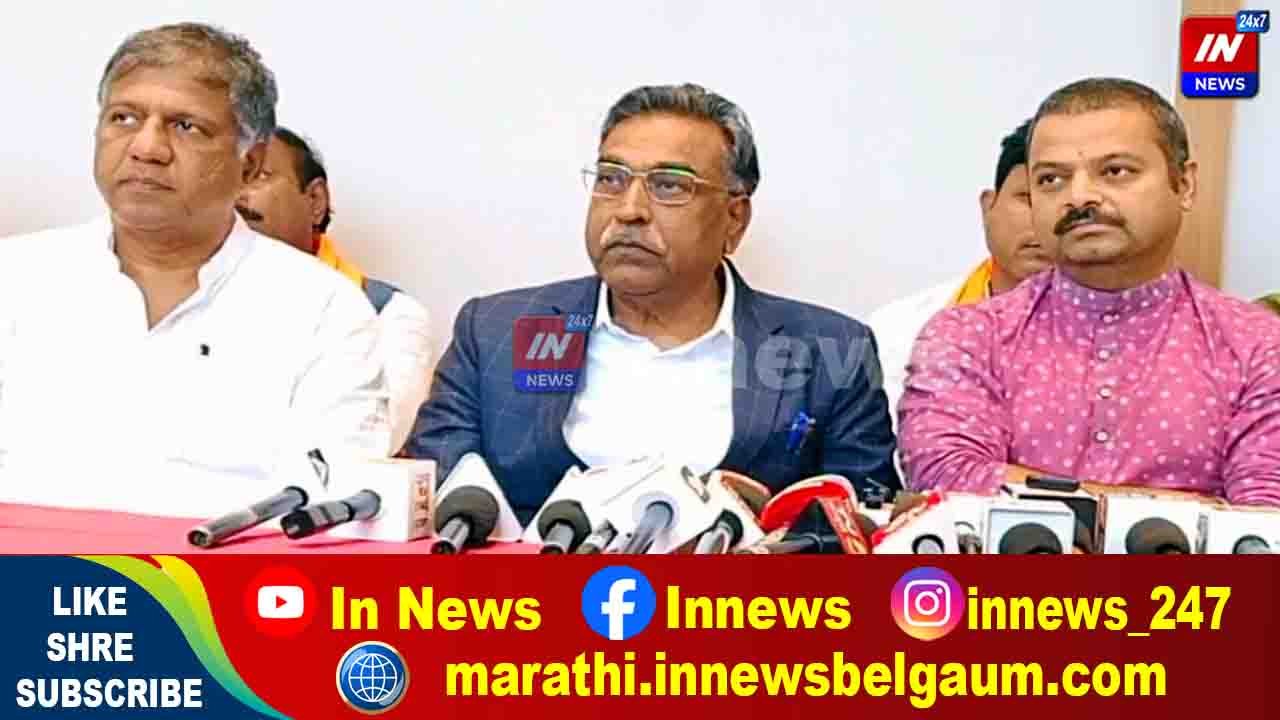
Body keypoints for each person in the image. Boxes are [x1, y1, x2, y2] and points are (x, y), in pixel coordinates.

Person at [407, 83, 899, 521]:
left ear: (734, 218)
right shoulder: (496, 331)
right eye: (611, 178)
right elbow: (426, 501)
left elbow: (865, 527)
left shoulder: (830, 349)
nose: (629, 211)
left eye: (669, 186)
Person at [0, 23, 386, 516]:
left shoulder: (325, 310)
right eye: (124, 118)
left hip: (223, 566)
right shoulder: (14, 278)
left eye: (186, 127)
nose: (146, 148)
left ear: (250, 165)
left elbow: (329, 508)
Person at [899, 77, 1280, 506]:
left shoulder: (1257, 344)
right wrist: (1188, 507)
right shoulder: (968, 335)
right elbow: (951, 480)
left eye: (1115, 172)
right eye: (1051, 180)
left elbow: (1264, 513)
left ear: (1185, 184)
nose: (1079, 197)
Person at [237, 126, 433, 453]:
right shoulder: (180, 299)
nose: (233, 196)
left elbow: (364, 447)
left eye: (255, 176)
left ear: (315, 201)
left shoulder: (390, 315)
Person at [869, 119, 1054, 425]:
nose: (1044, 221)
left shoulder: (1129, 338)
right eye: (1029, 199)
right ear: (988, 206)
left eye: (1062, 203)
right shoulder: (895, 329)